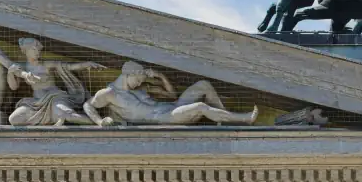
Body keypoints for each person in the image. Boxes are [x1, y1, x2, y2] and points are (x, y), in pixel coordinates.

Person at [85, 61, 258, 126]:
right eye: (138, 79)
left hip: (173, 107)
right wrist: (100, 121)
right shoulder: (109, 93)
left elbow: (172, 95)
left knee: (203, 85)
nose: (140, 82)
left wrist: (160, 76)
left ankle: (224, 119)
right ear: (127, 74)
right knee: (200, 107)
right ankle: (244, 119)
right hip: (163, 118)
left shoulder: (140, 90)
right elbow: (88, 105)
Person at [7, 38, 103, 127]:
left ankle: (98, 121)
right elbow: (13, 87)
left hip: (55, 98)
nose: (37, 52)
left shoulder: (46, 64)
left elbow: (69, 67)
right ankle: (53, 119)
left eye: (38, 49)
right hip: (36, 103)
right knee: (14, 119)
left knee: (67, 115)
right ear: (25, 51)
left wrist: (87, 64)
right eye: (33, 49)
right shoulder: (22, 67)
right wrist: (10, 74)